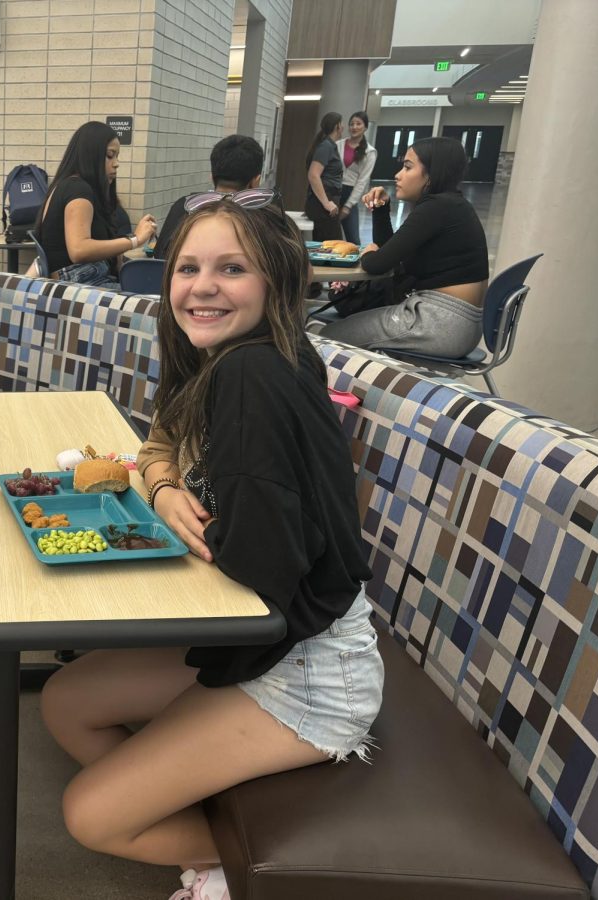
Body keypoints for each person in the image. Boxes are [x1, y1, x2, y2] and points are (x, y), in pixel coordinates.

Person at [41, 196, 381, 900]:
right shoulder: (230, 360)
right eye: (188, 267)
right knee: (67, 699)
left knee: (90, 815)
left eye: (232, 269)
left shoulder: (250, 375)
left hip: (307, 672)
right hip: (272, 637)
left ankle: (240, 866)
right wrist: (164, 493)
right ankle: (202, 810)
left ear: (276, 283)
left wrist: (186, 521)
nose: (202, 286)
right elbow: (161, 445)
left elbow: (259, 563)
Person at [319, 137, 489, 358]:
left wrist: (370, 252)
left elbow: (377, 263)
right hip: (457, 324)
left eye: (408, 167)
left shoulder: (437, 207)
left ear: (431, 174)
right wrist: (381, 210)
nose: (398, 175)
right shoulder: (451, 205)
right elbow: (392, 254)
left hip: (439, 322)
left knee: (327, 336)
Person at [36, 121, 157, 288]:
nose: (116, 163)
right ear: (90, 155)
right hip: (81, 284)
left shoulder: (65, 186)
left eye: (117, 156)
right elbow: (79, 250)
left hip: (78, 282)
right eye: (109, 155)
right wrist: (135, 240)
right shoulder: (78, 190)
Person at [154, 134, 265, 261]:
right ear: (256, 181)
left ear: (212, 177)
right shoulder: (265, 218)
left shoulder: (184, 206)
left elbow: (159, 261)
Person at [336, 112, 377, 246]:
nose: (354, 127)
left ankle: (357, 265)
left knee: (353, 239)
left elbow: (362, 181)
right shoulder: (338, 145)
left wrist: (348, 206)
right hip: (333, 191)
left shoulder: (370, 152)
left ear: (365, 127)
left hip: (350, 194)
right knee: (330, 236)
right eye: (352, 124)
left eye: (358, 124)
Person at [304, 112, 345, 242]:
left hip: (327, 201)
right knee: (331, 248)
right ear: (337, 126)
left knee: (326, 247)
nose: (343, 127)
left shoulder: (329, 145)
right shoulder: (326, 146)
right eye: (342, 124)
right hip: (323, 204)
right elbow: (313, 175)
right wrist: (326, 203)